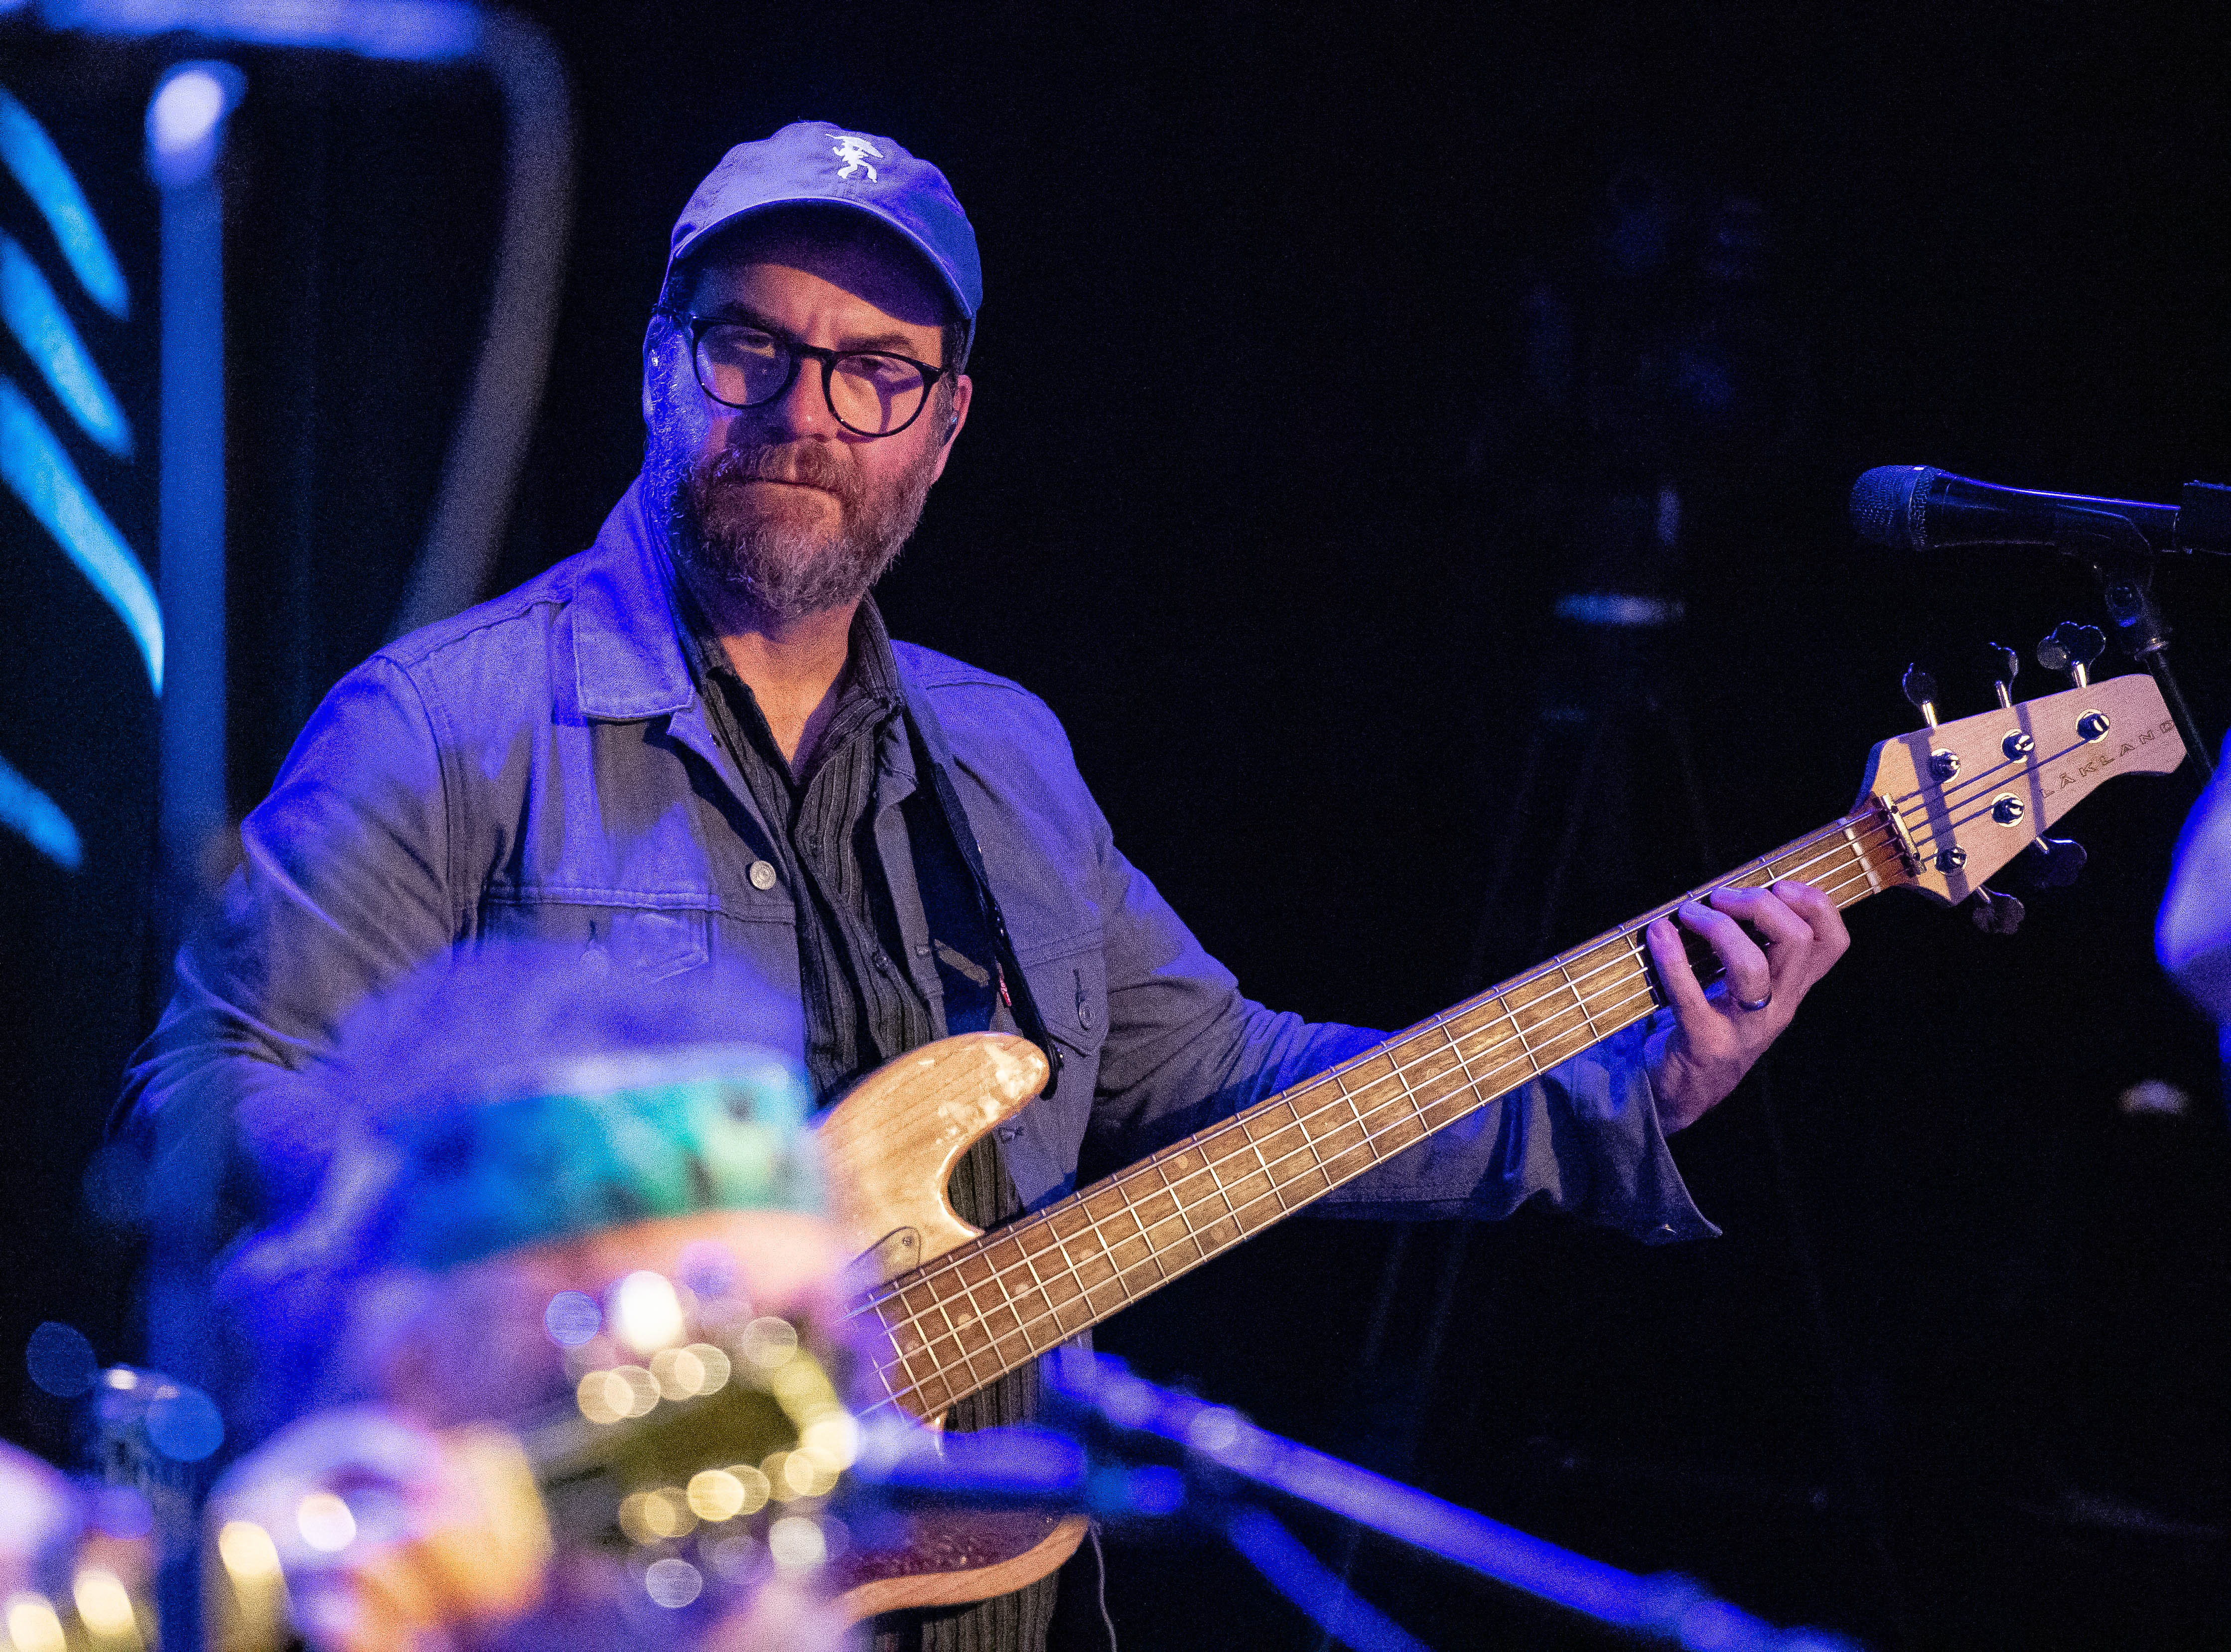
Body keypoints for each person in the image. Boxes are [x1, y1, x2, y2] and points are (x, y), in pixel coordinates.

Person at [120, 122, 1850, 1649]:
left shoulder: (1005, 756)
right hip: (609, 1598)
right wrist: (576, 1264)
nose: (805, 413)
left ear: (943, 427)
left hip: (986, 1608)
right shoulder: (446, 723)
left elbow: (1235, 1081)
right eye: (750, 349)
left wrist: (1628, 1091)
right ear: (660, 364)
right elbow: (204, 1103)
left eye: (878, 371)